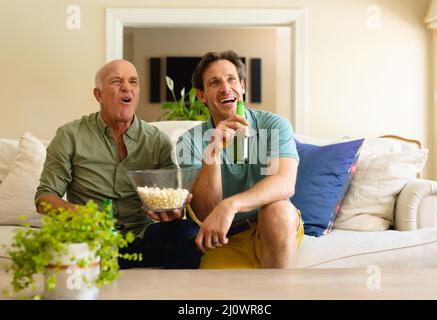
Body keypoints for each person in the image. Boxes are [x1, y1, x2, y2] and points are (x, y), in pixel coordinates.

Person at [35, 59, 202, 269]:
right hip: (91, 237)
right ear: (99, 95)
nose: (127, 87)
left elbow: (172, 200)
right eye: (116, 81)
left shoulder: (157, 141)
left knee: (189, 234)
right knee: (58, 247)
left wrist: (173, 210)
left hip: (142, 237)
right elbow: (44, 197)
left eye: (133, 81)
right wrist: (79, 214)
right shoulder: (70, 135)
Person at [176, 50, 303, 269]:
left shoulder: (273, 125)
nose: (226, 87)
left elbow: (285, 183)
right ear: (201, 95)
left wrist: (232, 205)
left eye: (231, 79)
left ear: (242, 86)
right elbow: (206, 211)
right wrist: (212, 153)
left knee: (278, 210)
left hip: (270, 228)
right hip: (223, 236)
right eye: (215, 82)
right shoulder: (189, 141)